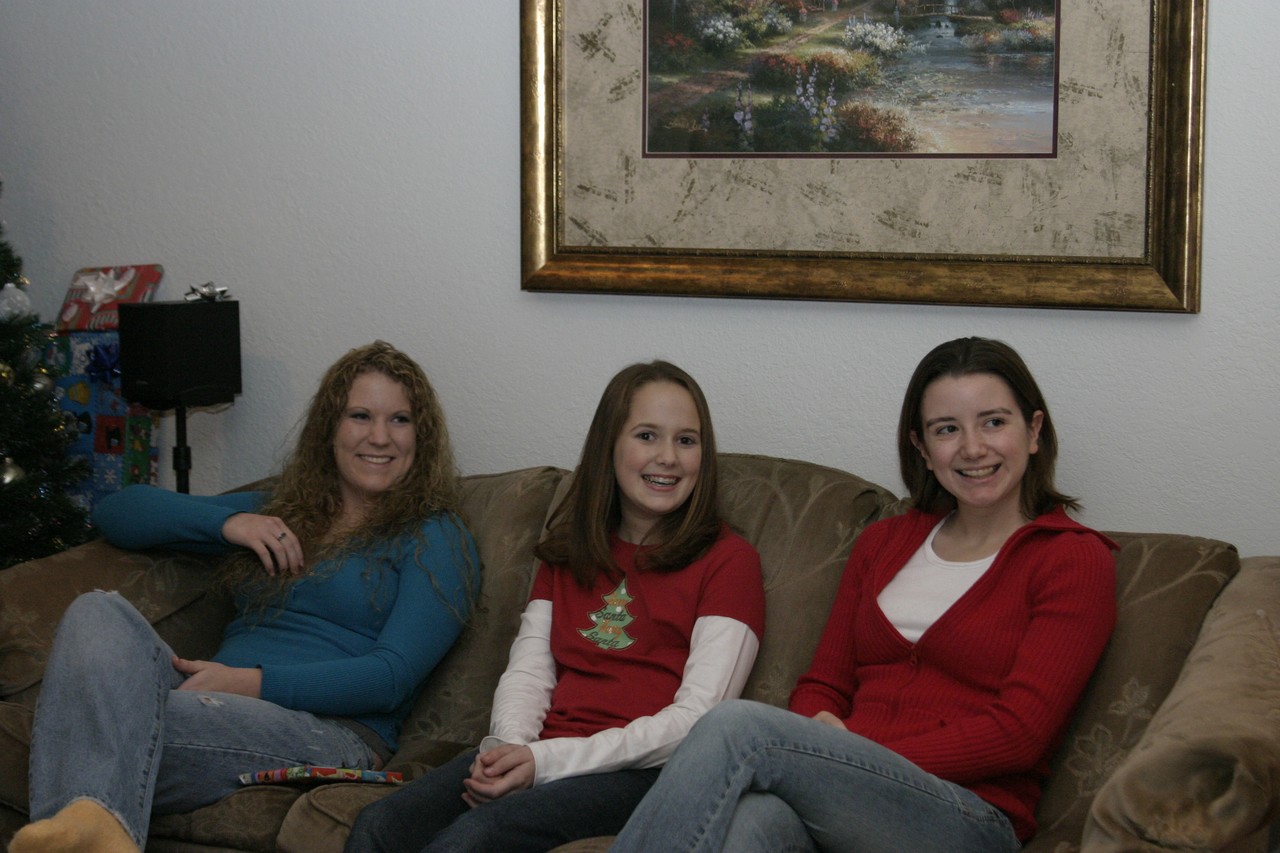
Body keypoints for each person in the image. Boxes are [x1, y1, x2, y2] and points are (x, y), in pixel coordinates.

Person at [610, 337, 1118, 853]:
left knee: (737, 727)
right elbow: (822, 685)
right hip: (850, 794)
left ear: (1033, 431)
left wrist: (847, 749)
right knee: (753, 820)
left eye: (993, 422)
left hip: (970, 817)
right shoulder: (883, 543)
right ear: (922, 448)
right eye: (947, 429)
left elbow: (1019, 734)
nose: (972, 447)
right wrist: (822, 733)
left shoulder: (1073, 558)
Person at [10, 341, 479, 853]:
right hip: (209, 697)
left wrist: (249, 683)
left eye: (400, 420)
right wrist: (230, 523)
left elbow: (390, 678)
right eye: (360, 416)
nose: (380, 437)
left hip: (328, 731)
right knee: (96, 611)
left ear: (421, 435)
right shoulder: (282, 511)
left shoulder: (434, 536)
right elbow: (119, 512)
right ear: (329, 428)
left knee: (95, 722)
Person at [344, 360, 766, 853]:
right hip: (542, 752)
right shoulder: (569, 550)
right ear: (609, 445)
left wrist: (544, 763)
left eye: (687, 440)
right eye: (647, 436)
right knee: (379, 825)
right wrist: (509, 749)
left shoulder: (730, 561)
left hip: (645, 774)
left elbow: (698, 721)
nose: (668, 457)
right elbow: (528, 673)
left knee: (475, 838)